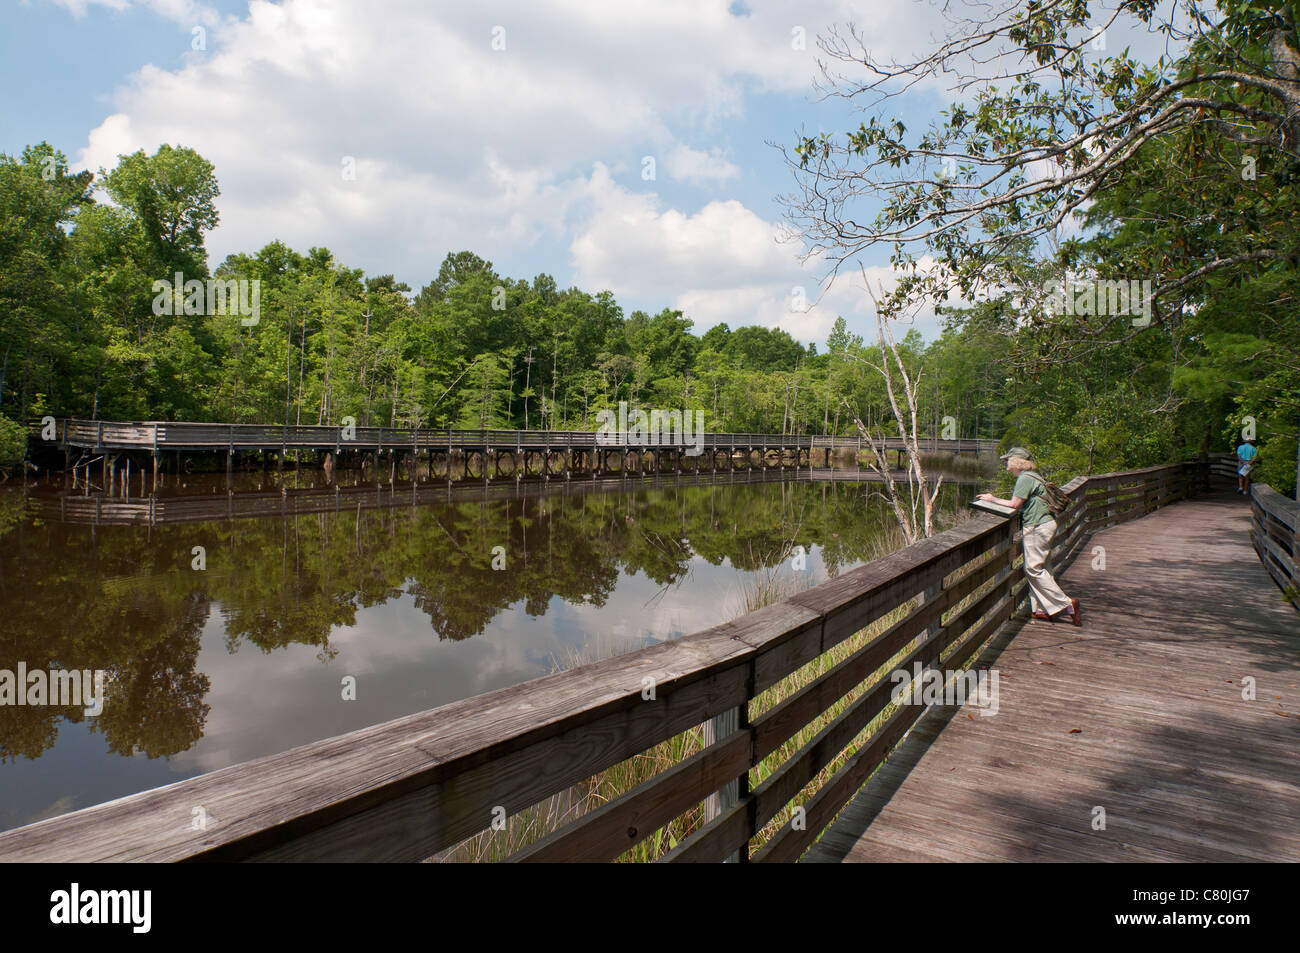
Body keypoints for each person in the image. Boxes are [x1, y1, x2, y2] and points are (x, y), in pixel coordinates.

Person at [977, 447, 1081, 626]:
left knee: (1033, 569)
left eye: (1007, 460)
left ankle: (1067, 604)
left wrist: (991, 499)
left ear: (1016, 461)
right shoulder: (1033, 476)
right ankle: (1040, 609)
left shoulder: (1024, 478)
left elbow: (1014, 504)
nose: (1005, 464)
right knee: (1043, 568)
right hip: (1045, 524)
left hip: (1037, 526)